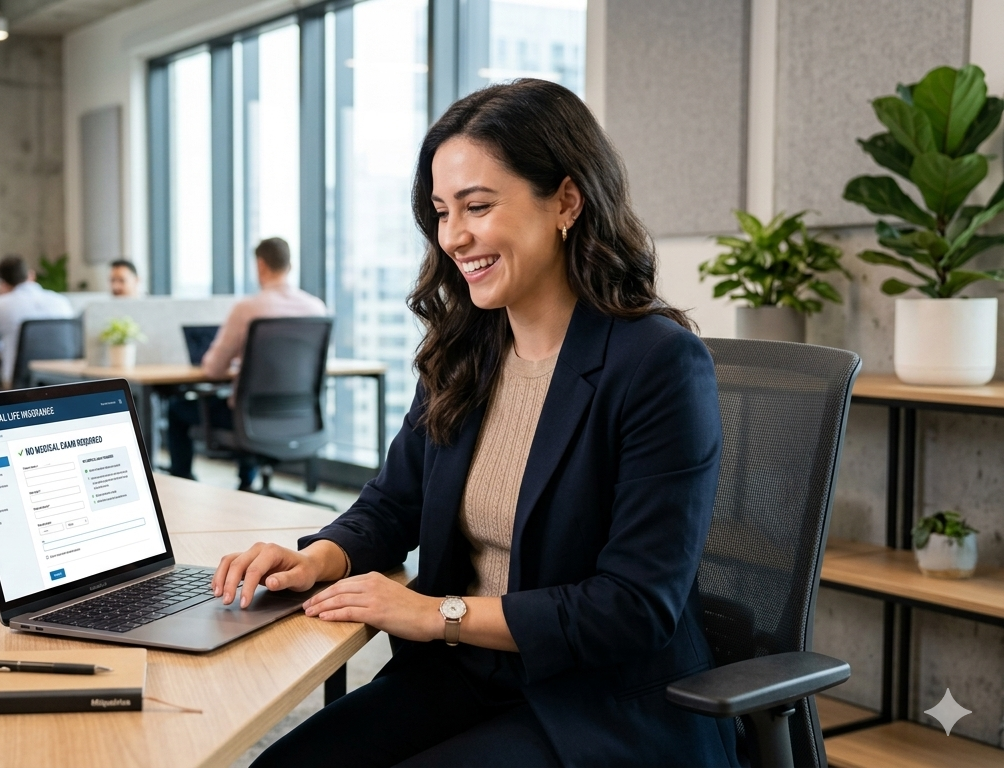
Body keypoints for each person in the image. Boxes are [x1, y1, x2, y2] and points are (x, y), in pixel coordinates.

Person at [211, 80, 739, 767]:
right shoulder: (466, 351)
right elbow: (392, 505)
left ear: (566, 202)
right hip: (463, 675)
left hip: (597, 705)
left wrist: (437, 614)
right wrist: (318, 558)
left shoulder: (658, 364)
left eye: (478, 206)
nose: (453, 236)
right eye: (441, 211)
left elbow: (632, 607)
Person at [167, 237, 326, 489]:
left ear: (260, 264)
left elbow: (213, 369)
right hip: (300, 417)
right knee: (243, 401)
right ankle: (246, 484)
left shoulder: (248, 309)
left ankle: (182, 483)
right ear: (290, 265)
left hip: (249, 420)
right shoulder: (316, 308)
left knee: (177, 409)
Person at [0, 254, 74, 388]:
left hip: (21, 387)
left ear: (2, 283)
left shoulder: (1, 305)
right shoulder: (61, 301)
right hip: (61, 382)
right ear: (30, 275)